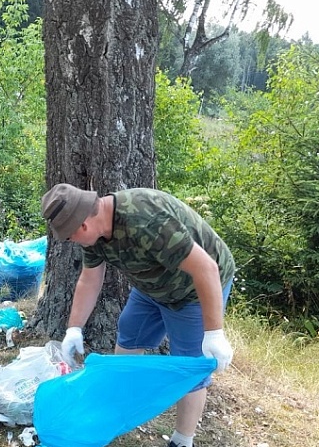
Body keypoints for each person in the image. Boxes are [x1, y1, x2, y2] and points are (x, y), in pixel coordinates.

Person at [40, 183, 235, 447]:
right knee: (130, 331)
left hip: (193, 289)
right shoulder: (93, 233)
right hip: (151, 286)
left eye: (69, 236)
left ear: (83, 225)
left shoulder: (145, 220)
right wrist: (74, 328)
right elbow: (90, 279)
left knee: (190, 363)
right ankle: (117, 407)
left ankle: (182, 441)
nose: (70, 241)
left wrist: (214, 333)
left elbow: (206, 269)